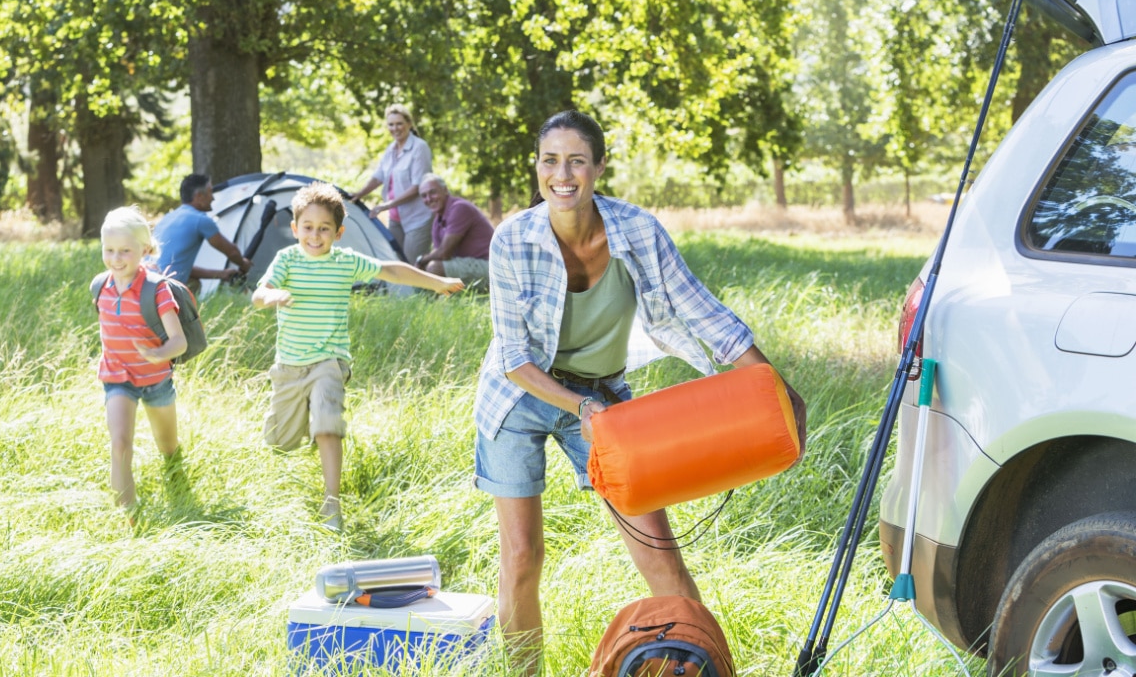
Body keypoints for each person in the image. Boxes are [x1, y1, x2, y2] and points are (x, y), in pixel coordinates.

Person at [474, 110, 808, 675]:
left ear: (598, 167)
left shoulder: (638, 231)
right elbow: (513, 359)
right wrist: (581, 408)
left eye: (576, 160)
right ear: (537, 166)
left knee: (658, 551)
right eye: (550, 160)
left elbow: (701, 310)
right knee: (523, 555)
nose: (562, 174)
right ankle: (522, 672)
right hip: (520, 400)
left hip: (604, 401)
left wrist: (771, 381)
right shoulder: (512, 239)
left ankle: (704, 666)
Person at [252, 182, 464, 531]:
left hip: (329, 361)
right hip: (290, 364)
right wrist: (271, 297)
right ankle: (305, 424)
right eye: (307, 228)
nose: (315, 235)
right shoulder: (286, 260)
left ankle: (331, 504)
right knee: (281, 442)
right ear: (295, 229)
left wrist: (434, 282)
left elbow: (391, 269)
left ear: (339, 233)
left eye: (324, 229)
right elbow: (260, 294)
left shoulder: (344, 262)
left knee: (328, 421)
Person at [95, 206, 189, 517]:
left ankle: (178, 488)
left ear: (144, 250)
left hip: (156, 382)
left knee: (169, 448)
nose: (116, 258)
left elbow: (179, 341)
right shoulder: (100, 287)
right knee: (120, 443)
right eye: (109, 250)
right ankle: (129, 519)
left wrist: (158, 354)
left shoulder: (155, 289)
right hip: (118, 379)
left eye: (125, 250)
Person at [348, 104, 434, 264]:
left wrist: (386, 206)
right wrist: (359, 194)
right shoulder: (391, 149)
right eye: (391, 124)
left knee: (413, 263)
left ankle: (425, 290)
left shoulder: (420, 148)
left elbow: (417, 187)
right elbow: (378, 177)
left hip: (417, 217)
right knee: (395, 261)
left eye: (399, 123)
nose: (395, 128)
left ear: (409, 124)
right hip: (396, 218)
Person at [153, 173, 251, 289]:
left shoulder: (168, 217)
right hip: (164, 288)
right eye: (210, 192)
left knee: (193, 282)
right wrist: (243, 264)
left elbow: (179, 267)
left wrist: (222, 274)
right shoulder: (200, 220)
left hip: (148, 283)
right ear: (199, 196)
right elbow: (232, 252)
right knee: (194, 285)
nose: (213, 197)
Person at [415, 173, 494, 290]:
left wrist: (421, 259)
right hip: (469, 263)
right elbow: (438, 253)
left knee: (434, 268)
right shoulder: (438, 220)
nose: (429, 199)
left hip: (490, 266)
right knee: (422, 271)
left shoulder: (459, 208)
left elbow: (443, 253)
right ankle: (431, 303)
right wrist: (421, 264)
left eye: (432, 192)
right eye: (424, 196)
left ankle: (436, 303)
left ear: (445, 190)